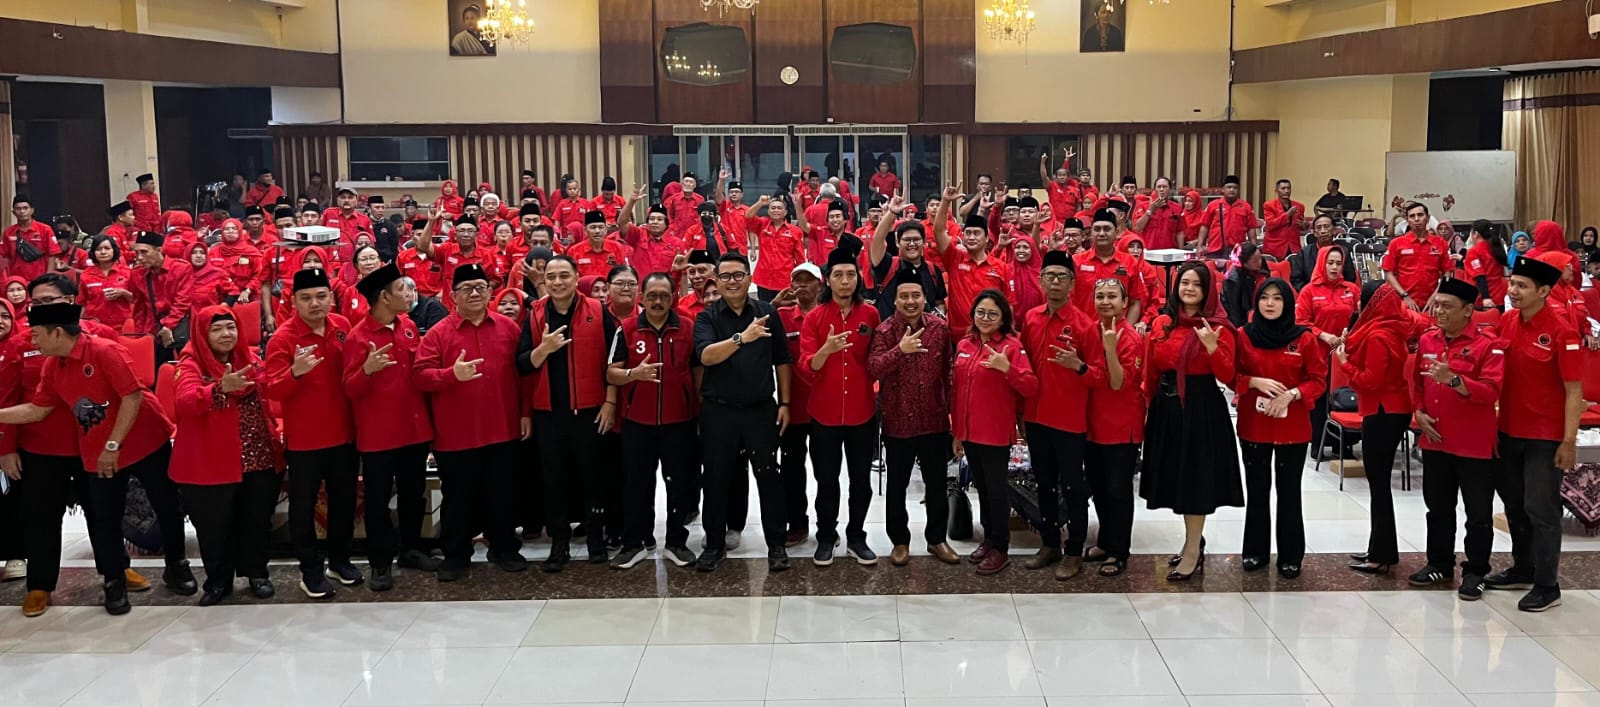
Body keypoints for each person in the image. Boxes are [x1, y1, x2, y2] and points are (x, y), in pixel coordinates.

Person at [0, 302, 194, 615]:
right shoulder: (52, 366)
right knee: (104, 515)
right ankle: (114, 581)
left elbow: (132, 396)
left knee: (167, 505)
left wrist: (114, 444)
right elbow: (38, 409)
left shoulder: (105, 351)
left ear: (57, 332)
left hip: (144, 439)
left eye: (36, 334)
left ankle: (177, 565)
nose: (32, 340)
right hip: (99, 446)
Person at [415, 263, 525, 580]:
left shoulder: (509, 328)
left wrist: (526, 413)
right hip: (456, 434)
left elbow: (524, 374)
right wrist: (451, 375)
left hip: (502, 428)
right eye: (466, 288)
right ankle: (456, 555)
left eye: (480, 287)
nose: (475, 293)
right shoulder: (438, 334)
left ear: (490, 292)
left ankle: (503, 548)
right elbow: (420, 376)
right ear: (453, 296)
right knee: (458, 498)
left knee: (502, 494)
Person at [1488, 256, 1583, 611]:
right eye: (1512, 283)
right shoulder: (1507, 321)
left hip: (1544, 435)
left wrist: (1568, 442)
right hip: (1508, 429)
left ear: (1543, 291)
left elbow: (1574, 391)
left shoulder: (1562, 331)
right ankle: (1523, 568)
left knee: (1541, 509)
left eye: (1522, 286)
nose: (1513, 291)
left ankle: (1547, 585)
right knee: (1514, 503)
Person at [169, 306, 280, 606]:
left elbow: (272, 385)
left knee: (257, 520)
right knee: (214, 527)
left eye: (231, 327)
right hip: (210, 462)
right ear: (202, 334)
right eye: (216, 329)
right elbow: (185, 402)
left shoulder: (250, 358)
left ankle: (258, 575)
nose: (226, 334)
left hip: (256, 456)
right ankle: (218, 582)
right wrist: (219, 388)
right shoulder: (190, 363)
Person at [692, 253, 794, 572]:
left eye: (738, 275)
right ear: (717, 281)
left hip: (760, 410)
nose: (732, 281)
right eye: (725, 276)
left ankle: (776, 545)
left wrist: (785, 403)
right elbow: (706, 356)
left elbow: (782, 360)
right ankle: (714, 545)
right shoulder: (707, 317)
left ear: (749, 279)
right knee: (716, 478)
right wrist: (741, 338)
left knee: (769, 477)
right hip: (719, 411)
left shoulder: (767, 313)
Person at [1140, 261, 1242, 581]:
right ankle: (1192, 541)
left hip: (1201, 409)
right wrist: (1146, 408)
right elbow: (1151, 370)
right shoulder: (1162, 323)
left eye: (1197, 284)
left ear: (1208, 290)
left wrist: (1212, 348)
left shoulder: (1218, 326)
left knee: (1195, 484)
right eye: (1185, 282)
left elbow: (1230, 376)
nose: (1189, 289)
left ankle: (1192, 551)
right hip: (1166, 408)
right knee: (1176, 481)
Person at [518, 255, 620, 571]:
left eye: (564, 275)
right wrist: (544, 349)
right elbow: (522, 364)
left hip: (591, 411)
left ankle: (595, 540)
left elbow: (615, 360)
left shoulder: (598, 311)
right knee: (554, 480)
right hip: (549, 413)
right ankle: (559, 543)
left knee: (594, 477)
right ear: (544, 281)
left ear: (577, 278)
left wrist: (610, 402)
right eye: (551, 277)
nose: (558, 282)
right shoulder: (535, 314)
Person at [344, 264, 441, 591]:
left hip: (413, 430)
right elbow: (349, 389)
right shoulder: (358, 337)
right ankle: (380, 562)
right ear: (384, 297)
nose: (409, 294)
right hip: (379, 436)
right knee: (378, 501)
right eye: (402, 290)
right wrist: (367, 370)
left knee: (414, 494)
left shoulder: (409, 327)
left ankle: (411, 549)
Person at [264, 268, 360, 597]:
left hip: (344, 435)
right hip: (305, 441)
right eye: (306, 298)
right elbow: (273, 389)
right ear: (294, 302)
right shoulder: (283, 338)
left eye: (321, 296)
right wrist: (295, 372)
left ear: (331, 297)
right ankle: (310, 570)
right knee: (303, 508)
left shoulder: (343, 327)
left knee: (344, 502)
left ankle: (340, 560)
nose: (315, 303)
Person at [1408, 278, 1504, 600]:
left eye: (1447, 307)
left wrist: (1454, 380)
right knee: (1437, 507)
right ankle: (1439, 563)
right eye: (1437, 305)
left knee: (1477, 513)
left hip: (1473, 444)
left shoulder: (1487, 345)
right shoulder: (1428, 339)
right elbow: (1417, 383)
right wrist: (1418, 413)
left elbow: (1490, 392)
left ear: (1467, 311)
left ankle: (1476, 570)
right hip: (1436, 440)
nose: (1439, 312)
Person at [1018, 249, 1103, 580]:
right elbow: (1023, 368)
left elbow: (1098, 376)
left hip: (1069, 421)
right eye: (1049, 276)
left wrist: (1078, 366)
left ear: (1072, 283)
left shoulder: (1085, 326)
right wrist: (1020, 415)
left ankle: (1075, 550)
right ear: (1040, 281)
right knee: (1043, 484)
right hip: (1036, 417)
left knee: (1073, 488)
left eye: (1061, 277)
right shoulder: (1031, 319)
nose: (1054, 282)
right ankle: (1050, 543)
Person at [607, 272, 701, 569]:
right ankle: (635, 543)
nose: (658, 301)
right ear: (642, 298)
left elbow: (698, 372)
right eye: (652, 296)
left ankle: (676, 542)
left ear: (673, 297)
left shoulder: (687, 327)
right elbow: (611, 373)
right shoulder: (627, 329)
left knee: (679, 484)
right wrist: (633, 374)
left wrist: (699, 409)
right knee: (636, 484)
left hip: (680, 421)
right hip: (637, 422)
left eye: (664, 295)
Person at [867, 268, 958, 566]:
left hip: (934, 420)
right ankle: (900, 542)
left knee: (936, 485)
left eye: (915, 295)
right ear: (895, 300)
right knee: (897, 487)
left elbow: (948, 373)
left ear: (925, 297)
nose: (910, 301)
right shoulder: (884, 331)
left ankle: (936, 539)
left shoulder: (939, 329)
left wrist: (953, 416)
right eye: (904, 296)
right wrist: (899, 350)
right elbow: (873, 368)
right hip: (898, 423)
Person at [1235, 278, 1324, 579]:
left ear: (1288, 304)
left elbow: (1318, 380)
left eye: (1277, 298)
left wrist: (1293, 394)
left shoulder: (1304, 339)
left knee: (1289, 493)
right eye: (1264, 297)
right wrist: (1252, 381)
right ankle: (1255, 551)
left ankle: (1290, 555)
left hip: (1292, 427)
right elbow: (1231, 374)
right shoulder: (1244, 336)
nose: (1270, 303)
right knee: (1257, 491)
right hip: (1254, 425)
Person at [799, 247, 882, 566]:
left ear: (857, 279)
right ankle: (826, 535)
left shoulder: (870, 315)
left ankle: (857, 536)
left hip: (863, 411)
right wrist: (827, 349)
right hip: (825, 414)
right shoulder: (815, 318)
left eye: (850, 274)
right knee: (826, 480)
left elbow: (876, 359)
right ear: (828, 281)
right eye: (838, 275)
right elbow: (807, 366)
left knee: (861, 480)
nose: (845, 281)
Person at [953, 289, 1038, 576]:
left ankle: (1001, 548)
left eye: (992, 314)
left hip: (995, 431)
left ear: (1003, 318)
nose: (985, 318)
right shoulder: (965, 343)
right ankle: (988, 538)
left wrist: (1008, 368)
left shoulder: (1012, 347)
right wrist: (957, 432)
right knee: (982, 488)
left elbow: (1030, 387)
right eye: (980, 312)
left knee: (997, 491)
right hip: (969, 431)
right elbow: (958, 390)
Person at [1337, 284, 1414, 574]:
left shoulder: (1379, 336)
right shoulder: (1387, 329)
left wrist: (1345, 364)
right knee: (1378, 485)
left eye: (1362, 301)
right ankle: (1378, 548)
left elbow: (1370, 380)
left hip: (1384, 411)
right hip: (1389, 409)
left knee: (1379, 485)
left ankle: (1382, 554)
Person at [1083, 278, 1144, 577]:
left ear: (1124, 303)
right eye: (1100, 296)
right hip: (1092, 423)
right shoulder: (1089, 330)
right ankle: (1105, 541)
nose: (1105, 301)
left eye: (1112, 296)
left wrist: (1110, 349)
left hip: (1122, 426)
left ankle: (1119, 551)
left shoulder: (1130, 338)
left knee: (1118, 490)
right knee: (1098, 488)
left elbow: (1118, 383)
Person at [775, 264, 822, 548]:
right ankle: (797, 524)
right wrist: (772, 305)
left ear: (820, 285)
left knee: (825, 472)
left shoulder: (827, 315)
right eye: (797, 280)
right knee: (791, 470)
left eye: (808, 280)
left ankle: (827, 526)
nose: (802, 285)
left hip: (823, 409)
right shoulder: (781, 316)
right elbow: (749, 328)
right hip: (791, 409)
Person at [932, 184, 1011, 337]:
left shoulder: (1001, 267)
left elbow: (1009, 305)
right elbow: (939, 231)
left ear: (987, 238)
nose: (971, 237)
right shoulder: (954, 258)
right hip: (959, 335)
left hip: (990, 335)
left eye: (976, 233)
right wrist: (945, 201)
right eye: (968, 233)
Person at [868, 197, 946, 320]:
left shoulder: (933, 271)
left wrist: (939, 317)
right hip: (890, 331)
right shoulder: (888, 265)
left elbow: (939, 302)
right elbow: (878, 240)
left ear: (924, 242)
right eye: (907, 240)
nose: (912, 244)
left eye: (916, 239)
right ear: (897, 242)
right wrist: (891, 213)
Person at [129, 232, 194, 367]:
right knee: (154, 370)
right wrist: (140, 337)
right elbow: (139, 309)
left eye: (144, 252)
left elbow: (182, 303)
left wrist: (168, 326)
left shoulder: (181, 268)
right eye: (136, 253)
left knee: (184, 367)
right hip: (152, 330)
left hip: (179, 327)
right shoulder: (137, 273)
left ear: (159, 250)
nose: (139, 257)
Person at [1073, 209, 1147, 322]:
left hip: (1118, 329)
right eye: (1097, 229)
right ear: (1091, 233)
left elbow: (1135, 302)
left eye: (1107, 229)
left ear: (1116, 232)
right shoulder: (1077, 261)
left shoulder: (1130, 262)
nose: (1102, 233)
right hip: (1084, 330)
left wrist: (1125, 329)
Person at [1382, 202, 1453, 310]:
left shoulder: (1440, 243)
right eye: (1412, 216)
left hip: (1433, 304)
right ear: (1407, 220)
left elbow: (1447, 273)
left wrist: (1436, 296)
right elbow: (1388, 274)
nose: (1416, 219)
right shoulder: (1396, 244)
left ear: (1428, 218)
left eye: (1420, 215)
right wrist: (1404, 296)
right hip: (1404, 302)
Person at [744, 195, 807, 301]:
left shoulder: (795, 231)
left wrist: (800, 279)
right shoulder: (762, 224)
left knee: (784, 309)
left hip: (785, 281)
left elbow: (800, 258)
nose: (776, 210)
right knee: (765, 308)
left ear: (785, 212)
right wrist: (760, 203)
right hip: (764, 279)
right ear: (768, 212)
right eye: (773, 208)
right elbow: (748, 216)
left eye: (779, 208)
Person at [4, 195, 64, 284]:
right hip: (17, 281)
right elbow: (5, 257)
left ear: (32, 210)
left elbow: (52, 255)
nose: (22, 211)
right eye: (18, 209)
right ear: (13, 212)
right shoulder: (8, 232)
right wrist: (8, 279)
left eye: (25, 208)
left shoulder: (45, 230)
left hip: (40, 279)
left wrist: (48, 278)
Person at [78, 236, 134, 326]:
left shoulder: (127, 272)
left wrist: (123, 293)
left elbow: (137, 300)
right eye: (98, 249)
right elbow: (82, 303)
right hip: (94, 325)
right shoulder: (86, 275)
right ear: (93, 252)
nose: (103, 252)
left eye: (107, 248)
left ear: (114, 250)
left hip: (122, 325)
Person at [1197, 176, 1259, 255]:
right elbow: (1205, 226)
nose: (1232, 190)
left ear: (1239, 190)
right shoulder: (1213, 205)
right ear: (1223, 189)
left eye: (1235, 188)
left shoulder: (1246, 207)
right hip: (1215, 249)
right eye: (1229, 187)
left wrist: (1254, 249)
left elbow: (1251, 229)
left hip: (1238, 251)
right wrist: (1200, 246)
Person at [1464, 220, 1510, 310]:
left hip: (1482, 300)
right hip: (1499, 296)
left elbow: (1479, 277)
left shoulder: (1474, 251)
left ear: (1476, 234)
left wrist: (1486, 297)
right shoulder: (1496, 248)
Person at [1222, 243, 1268, 327]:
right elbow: (1234, 310)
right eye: (1255, 261)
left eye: (1260, 257)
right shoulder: (1233, 280)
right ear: (1244, 264)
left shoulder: (1262, 266)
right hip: (1245, 319)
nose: (1260, 262)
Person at [1261, 179, 1309, 260]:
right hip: (1275, 247)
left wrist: (1304, 225)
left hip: (1294, 247)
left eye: (1288, 188)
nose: (1286, 191)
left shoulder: (1299, 206)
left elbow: (1301, 227)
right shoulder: (1269, 205)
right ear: (1276, 190)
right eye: (1283, 188)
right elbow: (1270, 225)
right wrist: (1287, 215)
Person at [1132, 177, 1183, 251]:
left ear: (1169, 189)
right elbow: (1137, 228)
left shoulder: (1177, 208)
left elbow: (1180, 232)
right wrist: (1150, 210)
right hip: (1149, 252)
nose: (1161, 189)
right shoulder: (1143, 206)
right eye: (1159, 187)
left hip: (1170, 253)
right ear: (1154, 189)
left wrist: (1181, 252)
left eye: (1164, 187)